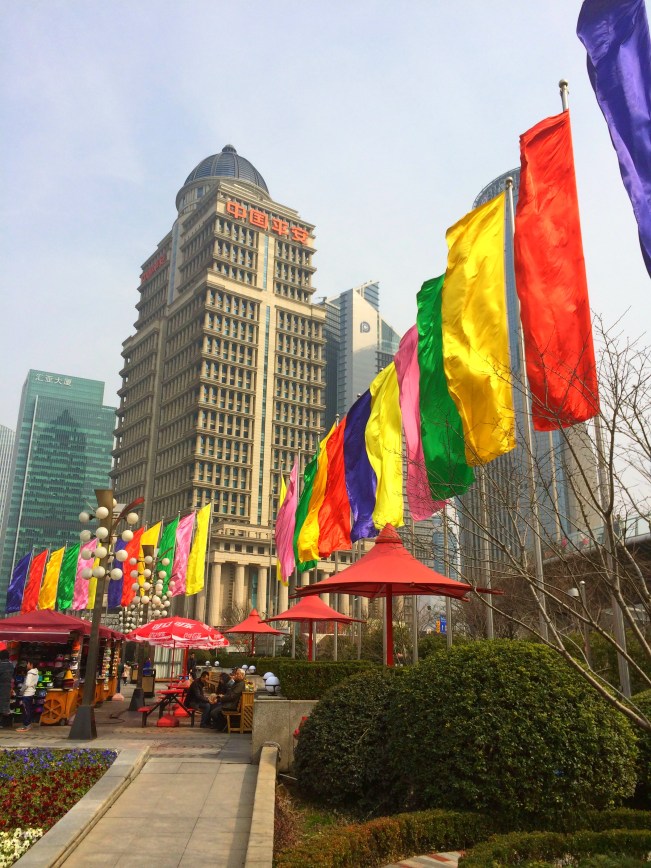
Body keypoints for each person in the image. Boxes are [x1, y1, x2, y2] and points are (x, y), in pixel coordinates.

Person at [17, 661, 39, 733]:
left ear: (31, 665)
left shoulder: (30, 673)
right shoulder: (36, 673)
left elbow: (27, 684)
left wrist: (21, 691)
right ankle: (27, 724)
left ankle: (26, 725)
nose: (27, 665)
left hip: (27, 694)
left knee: (26, 710)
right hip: (31, 693)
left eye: (28, 664)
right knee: (28, 709)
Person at [0, 650, 15, 729]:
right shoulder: (11, 665)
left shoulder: (1, 665)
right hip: (7, 687)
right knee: (4, 705)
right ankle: (2, 723)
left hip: (1, 686)